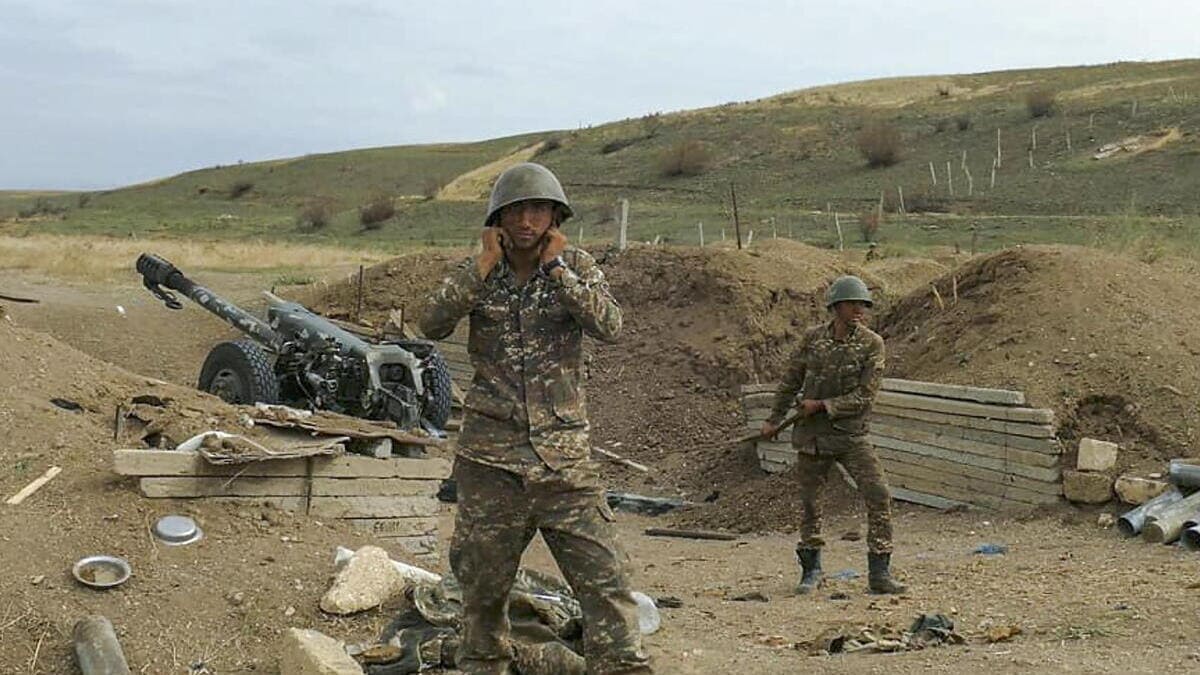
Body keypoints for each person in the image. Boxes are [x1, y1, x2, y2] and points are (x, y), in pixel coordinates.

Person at [420, 162, 652, 675]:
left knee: (606, 583)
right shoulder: (477, 271)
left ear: (554, 218)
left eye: (539, 210)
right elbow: (430, 322)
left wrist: (559, 272)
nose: (528, 220)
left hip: (564, 464)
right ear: (498, 217)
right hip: (490, 461)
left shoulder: (577, 267)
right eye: (518, 210)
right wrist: (480, 267)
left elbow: (609, 325)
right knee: (482, 591)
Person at [760, 275, 907, 596]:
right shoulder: (812, 339)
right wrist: (773, 419)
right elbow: (789, 382)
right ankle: (811, 571)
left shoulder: (872, 344)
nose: (859, 310)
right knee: (811, 504)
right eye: (853, 304)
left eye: (863, 305)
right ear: (836, 306)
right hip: (812, 437)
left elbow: (865, 395)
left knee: (879, 495)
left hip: (851, 435)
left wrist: (823, 405)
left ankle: (879, 573)